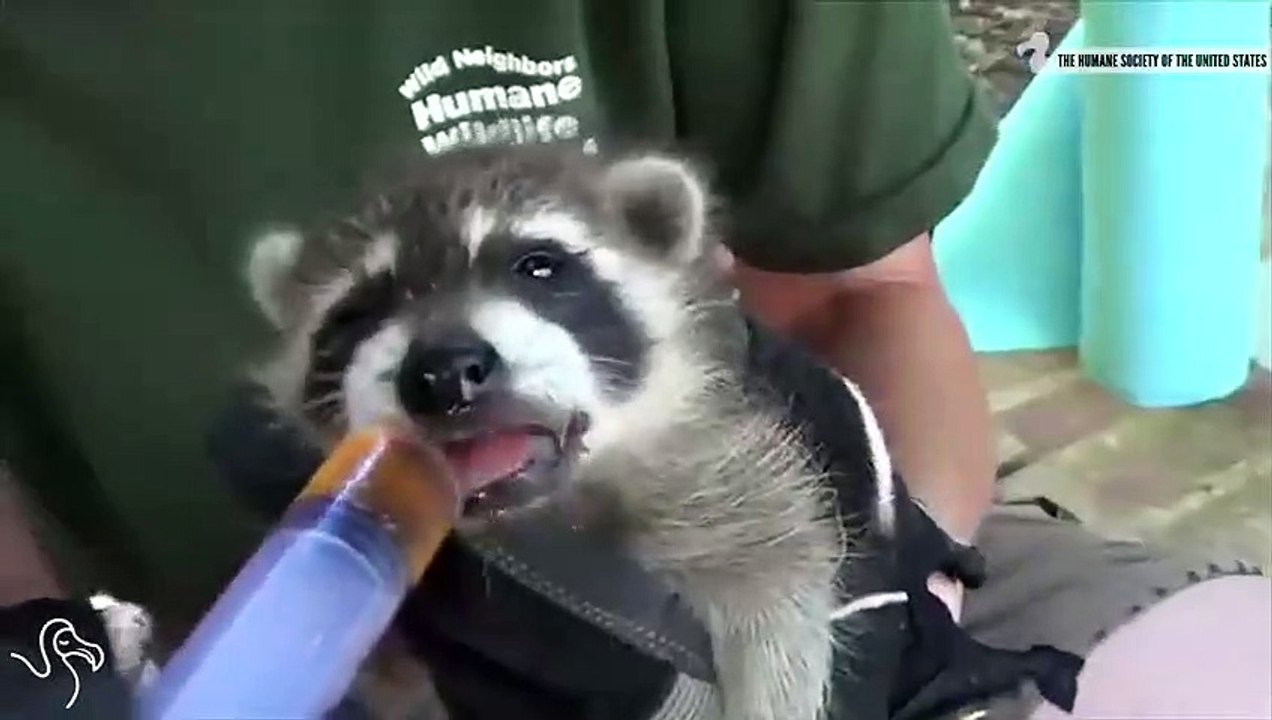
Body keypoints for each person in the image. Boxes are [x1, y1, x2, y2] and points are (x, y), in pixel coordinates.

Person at [2, 2, 1268, 718]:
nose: (443, 360)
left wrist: (897, 610)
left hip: (862, 577)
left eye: (540, 277)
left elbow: (863, 296)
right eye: (362, 318)